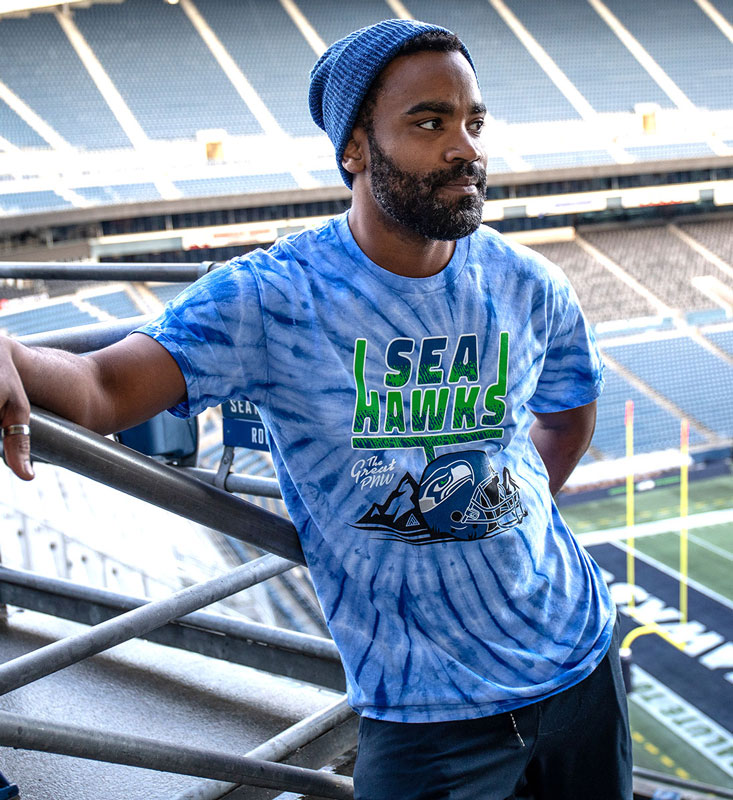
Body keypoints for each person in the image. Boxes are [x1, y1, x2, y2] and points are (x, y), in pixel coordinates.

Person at [0, 19, 631, 800]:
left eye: (474, 122)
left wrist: (493, 516)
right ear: (354, 149)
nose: (464, 148)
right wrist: (11, 352)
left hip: (579, 658)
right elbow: (102, 388)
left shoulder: (528, 284)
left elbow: (567, 420)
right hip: (423, 710)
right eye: (429, 123)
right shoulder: (271, 297)